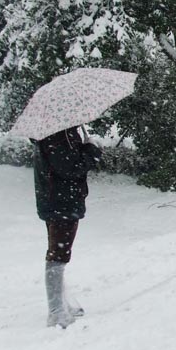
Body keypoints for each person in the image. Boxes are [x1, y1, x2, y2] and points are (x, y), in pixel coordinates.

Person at [33, 126, 102, 328]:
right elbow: (70, 166)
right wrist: (92, 150)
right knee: (58, 253)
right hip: (61, 201)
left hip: (59, 198)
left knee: (60, 251)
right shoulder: (56, 135)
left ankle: (63, 303)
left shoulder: (54, 132)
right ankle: (55, 311)